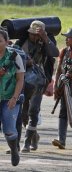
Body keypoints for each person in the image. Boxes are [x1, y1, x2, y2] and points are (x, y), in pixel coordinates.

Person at [16, 20, 59, 153]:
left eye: (37, 35)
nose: (34, 37)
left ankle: (27, 142)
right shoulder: (21, 43)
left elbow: (55, 53)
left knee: (33, 111)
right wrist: (25, 61)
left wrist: (45, 38)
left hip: (39, 81)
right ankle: (34, 136)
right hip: (22, 80)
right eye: (32, 34)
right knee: (23, 112)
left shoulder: (46, 43)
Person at [0, 29, 25, 166]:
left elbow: (20, 79)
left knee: (9, 129)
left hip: (9, 98)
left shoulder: (15, 56)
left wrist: (14, 98)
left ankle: (14, 150)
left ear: (6, 42)